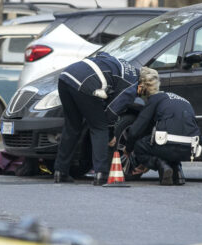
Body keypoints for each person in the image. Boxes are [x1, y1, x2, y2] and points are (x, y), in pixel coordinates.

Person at [52, 51, 139, 185]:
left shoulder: (120, 62)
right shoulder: (132, 84)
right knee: (99, 127)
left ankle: (60, 172)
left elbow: (101, 54)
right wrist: (110, 135)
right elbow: (111, 112)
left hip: (66, 76)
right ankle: (101, 174)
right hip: (85, 84)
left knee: (72, 127)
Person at [118, 68, 200, 186]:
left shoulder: (154, 100)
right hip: (190, 149)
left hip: (169, 144)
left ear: (143, 87)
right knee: (170, 144)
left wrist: (128, 149)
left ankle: (162, 164)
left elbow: (135, 131)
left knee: (140, 145)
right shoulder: (181, 99)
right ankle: (177, 172)